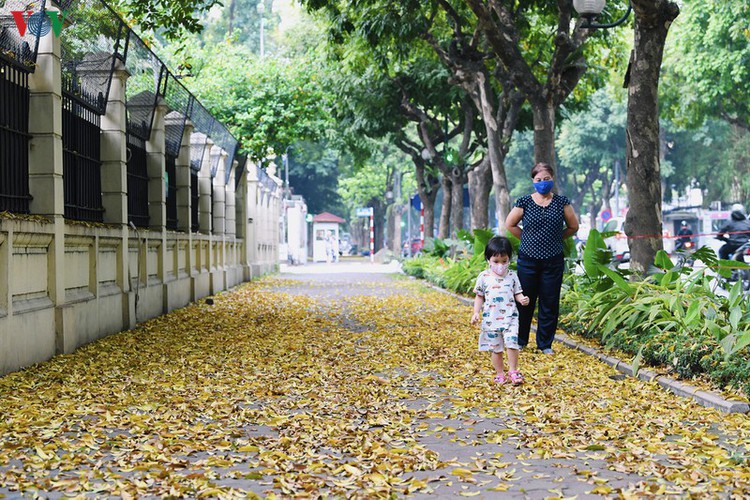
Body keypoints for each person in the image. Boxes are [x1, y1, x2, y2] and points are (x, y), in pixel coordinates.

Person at [505, 162, 579, 355]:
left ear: (552, 179)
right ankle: (520, 341)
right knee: (524, 301)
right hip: (528, 261)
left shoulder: (562, 202)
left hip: (553, 261)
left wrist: (557, 238)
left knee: (549, 302)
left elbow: (573, 226)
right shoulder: (524, 202)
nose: (543, 183)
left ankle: (545, 344)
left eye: (547, 179)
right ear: (533, 181)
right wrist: (527, 239)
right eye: (539, 180)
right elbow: (510, 224)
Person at [471, 236, 530, 385]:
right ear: (488, 260)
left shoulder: (512, 276)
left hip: (510, 317)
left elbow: (517, 292)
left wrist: (522, 299)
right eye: (496, 261)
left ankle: (513, 371)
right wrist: (476, 313)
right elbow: (479, 296)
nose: (500, 265)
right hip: (491, 319)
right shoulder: (483, 277)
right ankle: (500, 373)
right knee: (496, 348)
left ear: (509, 259)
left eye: (504, 261)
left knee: (512, 343)